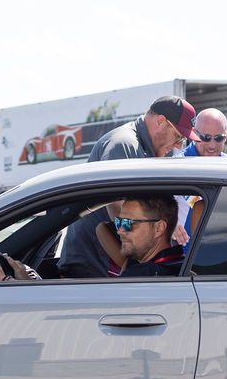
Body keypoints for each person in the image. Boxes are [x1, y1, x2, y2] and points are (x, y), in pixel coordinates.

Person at [57, 96, 198, 279]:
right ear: (160, 121)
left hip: (122, 266)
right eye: (178, 136)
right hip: (93, 266)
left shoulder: (154, 151)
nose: (179, 145)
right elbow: (118, 210)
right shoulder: (123, 145)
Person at [0, 196, 183, 281]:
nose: (120, 230)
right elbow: (103, 228)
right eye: (119, 222)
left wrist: (4, 282)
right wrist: (27, 281)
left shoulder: (146, 277)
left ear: (159, 228)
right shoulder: (161, 264)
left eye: (128, 223)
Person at [173, 108, 227, 244]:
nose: (212, 145)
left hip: (221, 245)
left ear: (226, 135)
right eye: (205, 138)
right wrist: (168, 222)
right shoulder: (177, 165)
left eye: (219, 138)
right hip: (184, 252)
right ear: (194, 133)